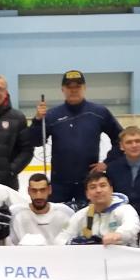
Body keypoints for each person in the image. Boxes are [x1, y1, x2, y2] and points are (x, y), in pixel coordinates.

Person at [28, 70, 122, 205]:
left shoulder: (99, 112)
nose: (73, 90)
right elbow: (36, 141)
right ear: (62, 89)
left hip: (89, 182)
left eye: (77, 86)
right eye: (69, 87)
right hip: (59, 183)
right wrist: (37, 120)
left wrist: (108, 162)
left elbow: (121, 139)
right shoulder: (52, 115)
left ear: (84, 88)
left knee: (89, 222)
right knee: (58, 221)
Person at [61, 171, 140, 246]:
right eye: (93, 187)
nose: (98, 190)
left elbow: (132, 225)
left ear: (111, 189)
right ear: (87, 194)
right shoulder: (80, 215)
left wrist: (118, 235)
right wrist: (72, 243)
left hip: (123, 258)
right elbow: (62, 237)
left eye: (103, 185)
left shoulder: (125, 209)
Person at [9, 174, 70, 246]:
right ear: (28, 191)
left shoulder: (65, 212)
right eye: (34, 190)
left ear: (49, 190)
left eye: (43, 190)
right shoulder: (14, 213)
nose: (38, 196)